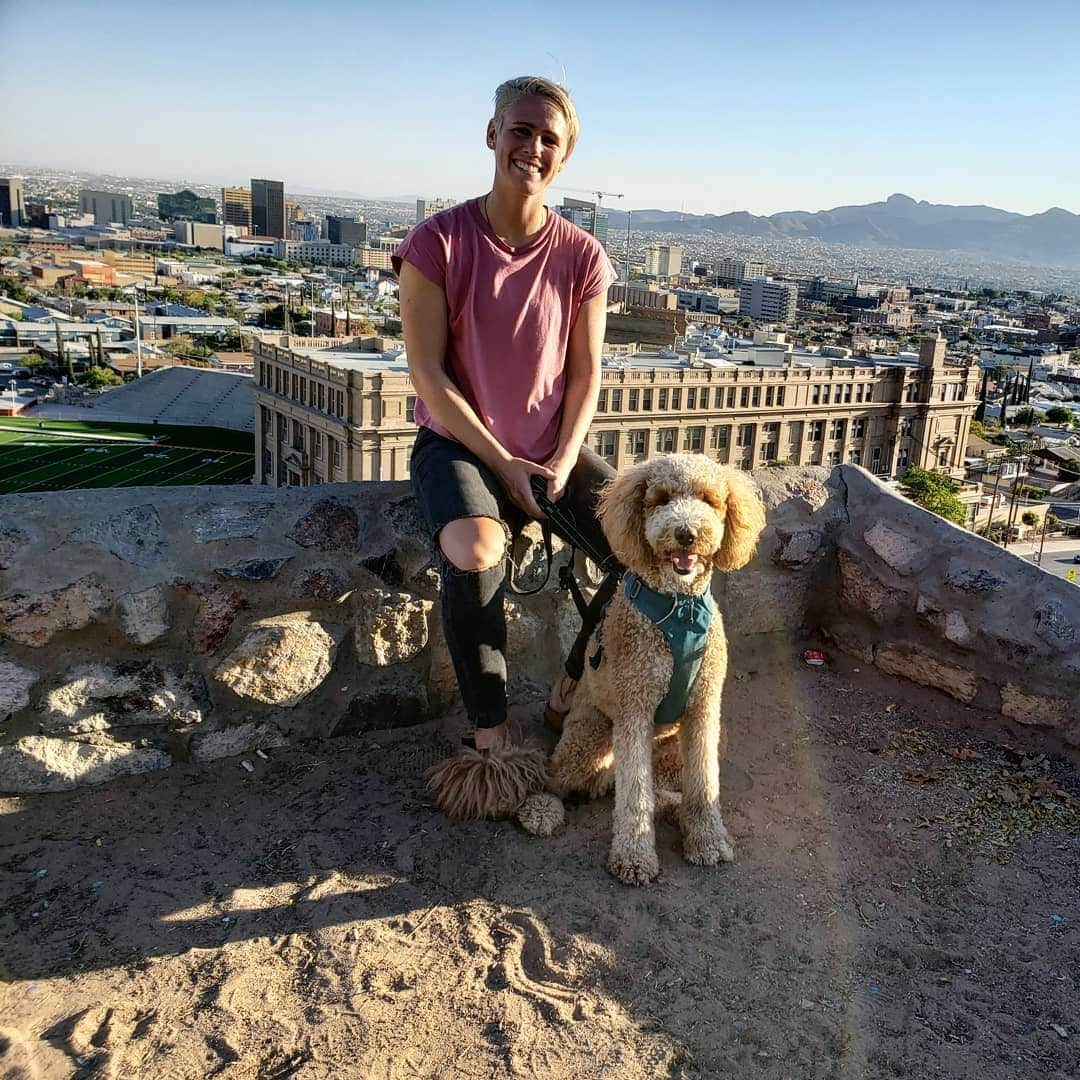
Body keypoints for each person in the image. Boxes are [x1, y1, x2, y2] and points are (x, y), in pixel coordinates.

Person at [393, 75, 617, 818]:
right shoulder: (438, 242)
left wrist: (556, 461)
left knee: (636, 552)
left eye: (550, 138)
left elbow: (585, 377)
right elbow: (427, 372)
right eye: (521, 131)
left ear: (567, 155)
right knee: (475, 551)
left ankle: (568, 699)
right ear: (492, 135)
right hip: (458, 444)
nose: (533, 147)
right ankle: (490, 741)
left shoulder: (583, 256)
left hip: (552, 446)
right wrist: (505, 463)